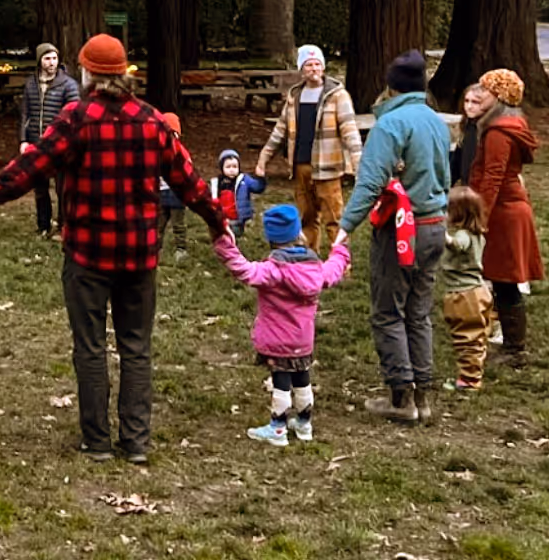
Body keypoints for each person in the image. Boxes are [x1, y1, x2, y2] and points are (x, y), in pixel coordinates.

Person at [0, 35, 226, 465]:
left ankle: (97, 441)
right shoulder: (152, 121)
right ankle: (136, 441)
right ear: (124, 74)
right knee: (136, 347)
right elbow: (189, 181)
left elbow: (27, 170)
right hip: (139, 257)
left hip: (87, 255)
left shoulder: (76, 118)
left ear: (88, 73)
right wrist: (218, 222)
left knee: (89, 347)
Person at [333, 50, 451, 424]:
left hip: (402, 229)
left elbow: (369, 182)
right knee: (419, 311)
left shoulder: (390, 125)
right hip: (436, 224)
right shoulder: (435, 121)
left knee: (388, 312)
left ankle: (400, 398)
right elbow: (447, 176)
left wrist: (345, 227)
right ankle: (423, 396)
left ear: (391, 85)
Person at [213, 205, 351, 446]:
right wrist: (340, 250)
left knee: (281, 382)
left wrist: (225, 244)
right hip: (303, 340)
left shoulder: (273, 270)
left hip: (277, 341)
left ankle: (278, 428)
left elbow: (244, 270)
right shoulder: (316, 269)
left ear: (271, 238)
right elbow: (334, 269)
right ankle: (304, 424)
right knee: (302, 378)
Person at [255, 44, 363, 253]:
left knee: (334, 219)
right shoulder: (295, 96)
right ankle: (310, 258)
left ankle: (340, 264)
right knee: (307, 217)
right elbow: (280, 130)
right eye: (308, 65)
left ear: (323, 67)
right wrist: (263, 158)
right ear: (301, 70)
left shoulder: (338, 95)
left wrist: (359, 163)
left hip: (328, 168)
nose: (313, 68)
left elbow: (350, 130)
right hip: (300, 166)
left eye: (317, 64)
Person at [467, 69, 541, 366]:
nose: (480, 95)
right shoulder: (512, 124)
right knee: (502, 278)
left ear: (497, 97)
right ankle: (512, 344)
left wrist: (479, 215)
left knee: (506, 280)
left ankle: (515, 348)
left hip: (504, 213)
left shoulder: (498, 132)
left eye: (485, 91)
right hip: (509, 208)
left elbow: (493, 177)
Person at [21, 43, 80, 237]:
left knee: (63, 188)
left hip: (59, 146)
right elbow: (26, 114)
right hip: (37, 144)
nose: (51, 62)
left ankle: (63, 226)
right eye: (47, 58)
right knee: (40, 188)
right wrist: (24, 140)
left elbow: (73, 116)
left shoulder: (69, 85)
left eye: (54, 58)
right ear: (39, 60)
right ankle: (43, 225)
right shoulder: (31, 84)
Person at [440, 186, 490, 391]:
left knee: (466, 338)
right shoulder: (479, 235)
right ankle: (473, 375)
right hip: (479, 291)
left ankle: (469, 381)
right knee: (478, 338)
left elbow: (456, 245)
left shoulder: (463, 236)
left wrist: (440, 232)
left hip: (464, 295)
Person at [156, 112, 190, 262]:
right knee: (158, 224)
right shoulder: (155, 153)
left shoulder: (181, 153)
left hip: (177, 194)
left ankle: (181, 248)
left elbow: (188, 172)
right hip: (160, 194)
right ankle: (156, 248)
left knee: (179, 224)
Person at [451, 84, 486, 187]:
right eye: (466, 101)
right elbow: (456, 164)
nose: (469, 106)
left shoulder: (489, 130)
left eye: (475, 102)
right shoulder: (467, 126)